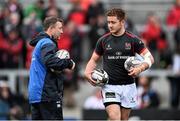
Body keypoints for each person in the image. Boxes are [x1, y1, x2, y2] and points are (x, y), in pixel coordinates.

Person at [84, 8, 154, 120]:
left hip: (129, 86)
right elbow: (93, 60)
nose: (110, 25)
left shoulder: (133, 40)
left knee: (123, 119)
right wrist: (87, 72)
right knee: (115, 117)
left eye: (113, 22)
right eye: (108, 22)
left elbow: (149, 58)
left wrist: (140, 68)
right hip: (109, 86)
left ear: (122, 22)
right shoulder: (103, 40)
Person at [28, 16, 75, 120]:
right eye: (60, 28)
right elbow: (51, 62)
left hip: (36, 95)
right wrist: (69, 63)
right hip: (47, 94)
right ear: (51, 28)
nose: (62, 31)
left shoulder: (40, 43)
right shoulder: (47, 43)